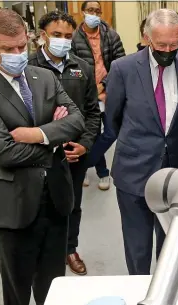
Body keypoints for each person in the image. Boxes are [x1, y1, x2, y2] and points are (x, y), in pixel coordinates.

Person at [0, 8, 85, 305]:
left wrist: (36, 134)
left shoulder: (43, 76)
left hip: (56, 198)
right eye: (8, 49)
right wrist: (55, 141)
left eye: (22, 46)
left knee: (54, 288)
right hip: (13, 205)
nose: (18, 54)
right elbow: (4, 151)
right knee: (17, 293)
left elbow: (77, 120)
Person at [105, 9, 178, 275]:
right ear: (147, 38)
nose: (167, 51)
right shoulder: (123, 69)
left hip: (176, 171)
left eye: (173, 44)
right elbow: (112, 119)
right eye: (161, 45)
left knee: (170, 244)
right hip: (134, 169)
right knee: (138, 248)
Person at [28, 11, 101, 276]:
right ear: (43, 35)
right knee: (40, 205)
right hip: (38, 153)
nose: (62, 40)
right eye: (56, 35)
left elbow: (93, 113)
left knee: (71, 204)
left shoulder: (82, 67)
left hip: (73, 153)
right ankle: (45, 253)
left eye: (68, 36)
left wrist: (85, 144)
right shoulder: (28, 67)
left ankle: (70, 248)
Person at [71, 0, 125, 191]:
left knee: (111, 132)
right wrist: (88, 89)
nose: (94, 14)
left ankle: (82, 165)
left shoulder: (111, 35)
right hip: (84, 95)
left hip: (108, 93)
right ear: (83, 12)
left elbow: (120, 65)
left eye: (97, 11)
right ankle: (102, 172)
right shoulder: (74, 37)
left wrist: (103, 85)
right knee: (90, 134)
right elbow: (72, 69)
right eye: (90, 10)